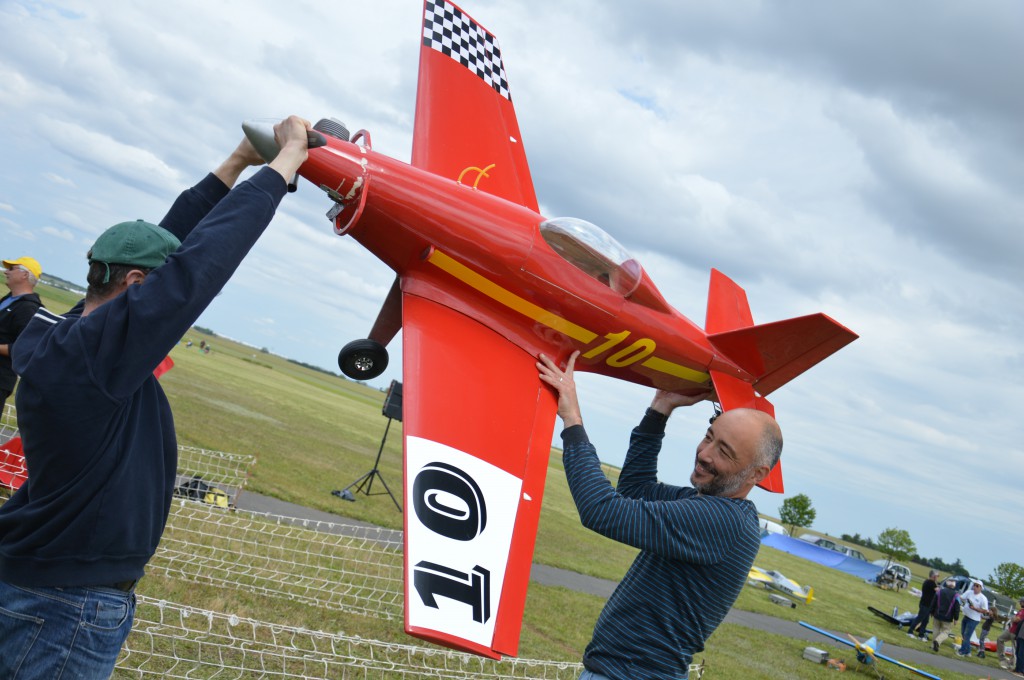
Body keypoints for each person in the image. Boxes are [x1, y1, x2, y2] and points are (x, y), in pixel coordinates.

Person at [0, 115, 311, 679]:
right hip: (66, 608)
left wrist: (237, 160)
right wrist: (284, 163)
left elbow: (173, 239)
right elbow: (201, 264)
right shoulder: (95, 357)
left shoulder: (61, 337)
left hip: (39, 584)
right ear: (138, 286)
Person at [537, 351, 782, 680]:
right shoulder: (709, 505)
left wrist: (572, 419)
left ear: (756, 474)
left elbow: (601, 510)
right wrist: (661, 407)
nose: (704, 454)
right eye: (709, 437)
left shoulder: (720, 521)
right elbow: (635, 488)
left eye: (724, 451)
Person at [0, 256, 43, 412]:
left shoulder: (28, 308)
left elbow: (25, 348)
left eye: (11, 268)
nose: (6, 272)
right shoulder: (9, 299)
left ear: (25, 275)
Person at [956, 579, 989, 656]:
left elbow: (985, 611)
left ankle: (962, 651)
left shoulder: (983, 598)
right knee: (963, 634)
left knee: (967, 635)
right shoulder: (969, 592)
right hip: (966, 615)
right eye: (974, 585)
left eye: (977, 586)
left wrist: (975, 608)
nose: (975, 587)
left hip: (974, 619)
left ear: (981, 588)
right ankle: (968, 651)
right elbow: (961, 597)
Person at [906, 570, 940, 640]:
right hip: (925, 604)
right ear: (933, 576)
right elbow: (938, 591)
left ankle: (921, 635)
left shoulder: (928, 581)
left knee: (925, 620)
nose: (938, 577)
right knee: (919, 618)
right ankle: (910, 631)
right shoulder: (931, 583)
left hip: (926, 604)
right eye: (937, 576)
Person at [930, 578, 961, 653]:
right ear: (954, 586)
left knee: (936, 629)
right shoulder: (956, 595)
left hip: (937, 615)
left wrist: (931, 611)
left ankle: (933, 645)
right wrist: (956, 618)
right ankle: (937, 641)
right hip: (947, 617)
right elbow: (957, 608)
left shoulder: (939, 591)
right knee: (946, 632)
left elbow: (933, 602)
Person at [1000, 597, 1024, 670]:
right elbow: (1014, 618)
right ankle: (1002, 657)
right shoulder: (1020, 610)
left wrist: (1013, 618)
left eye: (1021, 602)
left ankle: (1013, 664)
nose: (1020, 603)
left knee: (1016, 650)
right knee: (1000, 639)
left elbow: (1017, 619)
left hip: (1017, 632)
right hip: (1011, 630)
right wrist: (1013, 618)